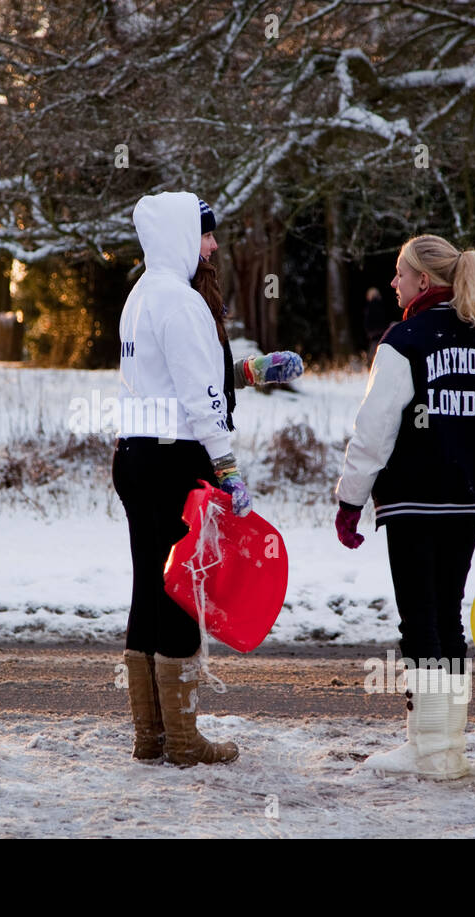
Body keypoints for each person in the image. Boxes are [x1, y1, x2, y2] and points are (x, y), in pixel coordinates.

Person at [112, 191, 302, 766]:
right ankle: (186, 741)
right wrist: (227, 467)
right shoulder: (181, 300)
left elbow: (174, 378)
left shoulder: (142, 294)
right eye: (205, 235)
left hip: (137, 456)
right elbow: (200, 397)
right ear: (178, 236)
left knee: (150, 585)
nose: (214, 245)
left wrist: (249, 369)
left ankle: (153, 736)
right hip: (178, 460)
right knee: (181, 594)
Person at [333, 234, 475, 779]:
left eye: (399, 273)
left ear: (423, 280)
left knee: (421, 619)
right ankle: (444, 745)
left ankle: (431, 750)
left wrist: (350, 500)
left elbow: (373, 430)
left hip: (414, 500)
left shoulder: (405, 339)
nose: (393, 283)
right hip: (467, 503)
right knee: (445, 614)